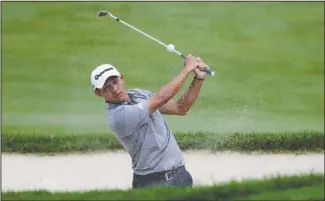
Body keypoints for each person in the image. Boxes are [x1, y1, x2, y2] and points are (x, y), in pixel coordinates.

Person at [90, 55, 209, 189]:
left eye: (115, 82)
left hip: (181, 177)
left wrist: (198, 78)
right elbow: (161, 98)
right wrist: (187, 69)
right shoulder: (118, 117)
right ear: (98, 93)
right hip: (153, 183)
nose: (114, 89)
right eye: (106, 87)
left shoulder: (138, 94)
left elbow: (180, 108)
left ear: (121, 78)